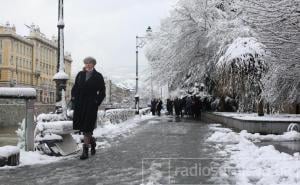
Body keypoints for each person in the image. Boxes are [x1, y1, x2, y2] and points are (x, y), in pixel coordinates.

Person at [71, 57, 106, 160]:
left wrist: (96, 102)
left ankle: (85, 150)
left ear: (93, 64)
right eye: (86, 63)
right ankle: (92, 142)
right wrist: (73, 97)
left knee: (87, 127)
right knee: (82, 127)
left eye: (90, 63)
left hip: (91, 105)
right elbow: (75, 87)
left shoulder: (98, 76)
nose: (88, 65)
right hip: (80, 104)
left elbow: (102, 92)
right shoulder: (80, 75)